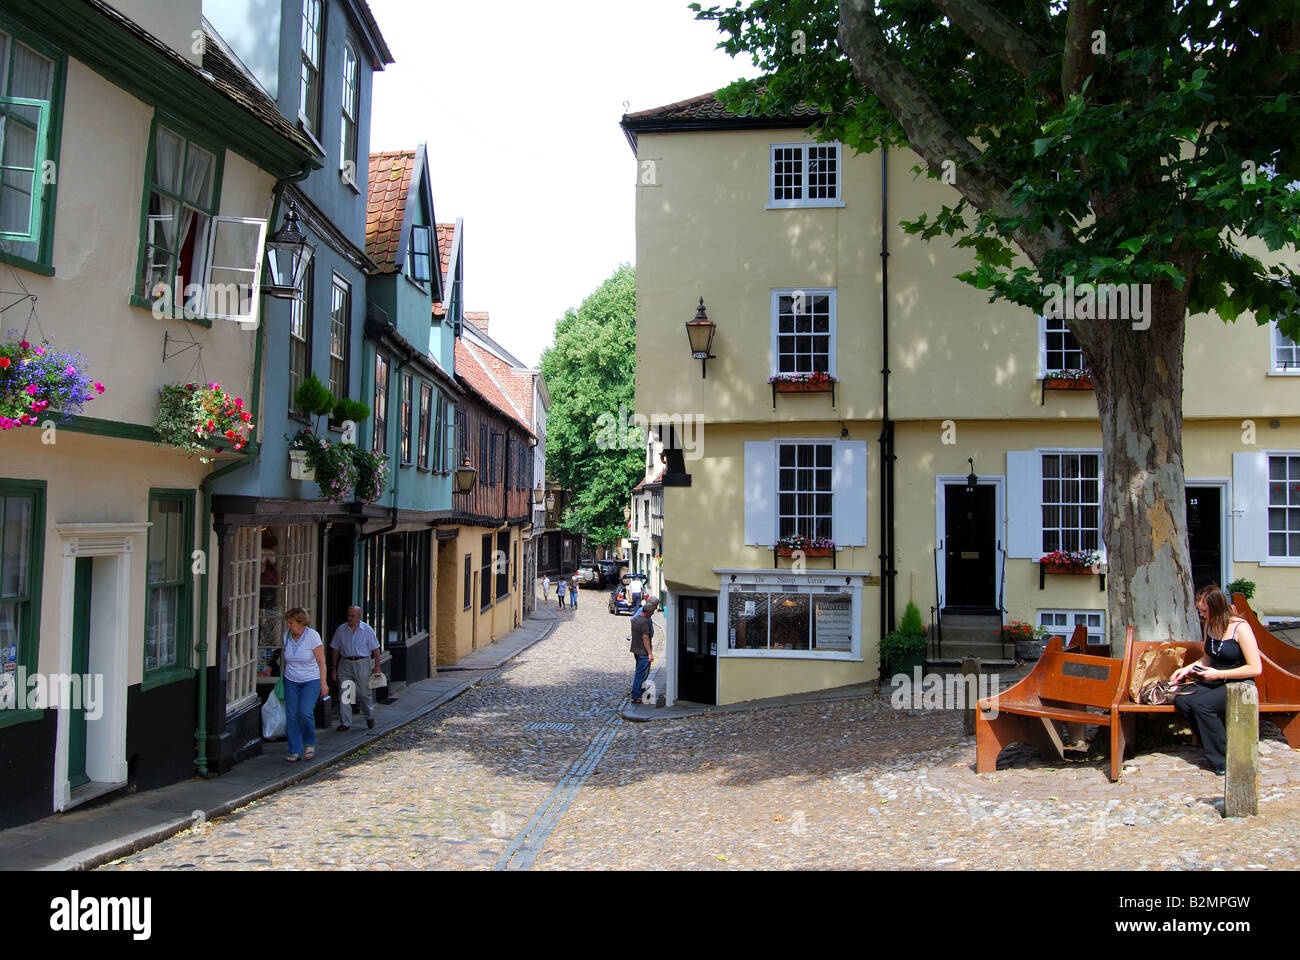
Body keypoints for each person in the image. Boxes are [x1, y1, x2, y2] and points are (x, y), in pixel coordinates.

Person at [1171, 584, 1262, 775]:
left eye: (1204, 610)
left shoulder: (1240, 628)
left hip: (1239, 682)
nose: (1202, 614)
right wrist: (1186, 670)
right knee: (1183, 699)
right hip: (1215, 678)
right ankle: (1211, 744)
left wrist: (1219, 674)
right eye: (1200, 610)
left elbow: (1255, 668)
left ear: (1216, 608)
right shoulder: (1210, 625)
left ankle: (1224, 759)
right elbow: (1207, 658)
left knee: (1202, 705)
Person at [281, 607, 327, 761]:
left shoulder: (313, 636)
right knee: (292, 717)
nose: (289, 626)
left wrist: (323, 683)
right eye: (288, 623)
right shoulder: (286, 636)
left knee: (305, 712)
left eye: (291, 623)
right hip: (291, 680)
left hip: (310, 680)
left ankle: (309, 743)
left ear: (301, 622)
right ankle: (295, 750)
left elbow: (321, 662)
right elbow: (286, 660)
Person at [330, 605, 382, 731]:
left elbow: (375, 649)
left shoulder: (367, 630)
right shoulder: (341, 630)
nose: (350, 618)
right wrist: (334, 667)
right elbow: (335, 649)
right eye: (348, 615)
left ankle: (369, 716)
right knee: (345, 692)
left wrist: (377, 667)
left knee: (363, 693)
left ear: (359, 617)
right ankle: (346, 722)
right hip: (346, 662)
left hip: (362, 662)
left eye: (352, 616)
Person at [630, 595, 659, 701]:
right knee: (641, 673)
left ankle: (640, 692)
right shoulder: (645, 621)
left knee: (640, 671)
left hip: (636, 649)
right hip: (643, 651)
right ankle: (636, 694)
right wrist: (650, 653)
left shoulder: (635, 619)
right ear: (649, 612)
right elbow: (645, 638)